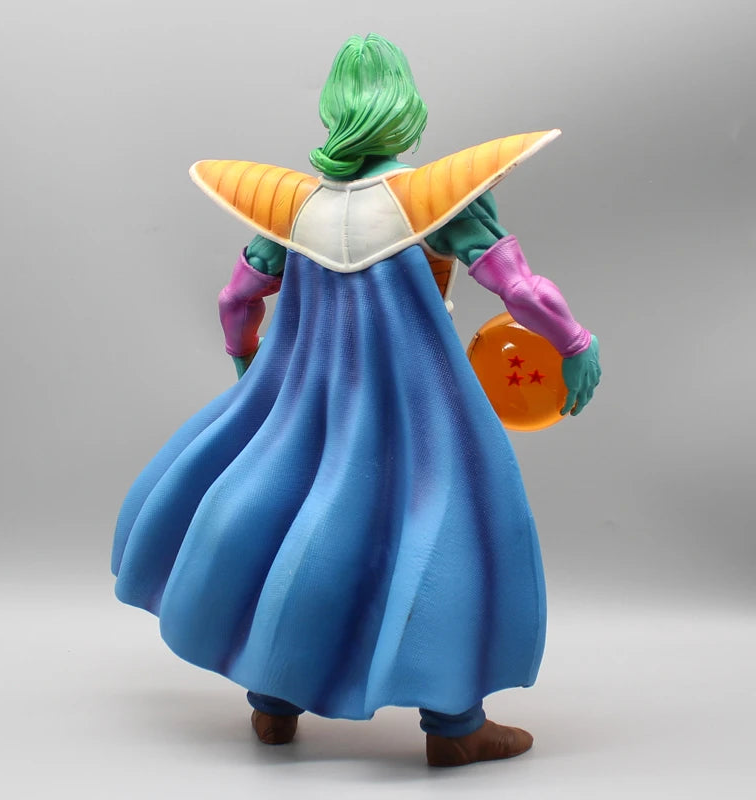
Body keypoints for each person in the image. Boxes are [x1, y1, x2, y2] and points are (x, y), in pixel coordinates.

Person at [112, 33, 601, 768]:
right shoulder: (435, 195)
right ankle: (456, 724)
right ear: (406, 110)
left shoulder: (293, 207)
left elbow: (235, 300)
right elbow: (521, 289)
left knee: (294, 522)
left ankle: (274, 702)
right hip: (418, 412)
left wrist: (248, 365)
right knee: (449, 533)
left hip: (310, 405)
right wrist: (575, 343)